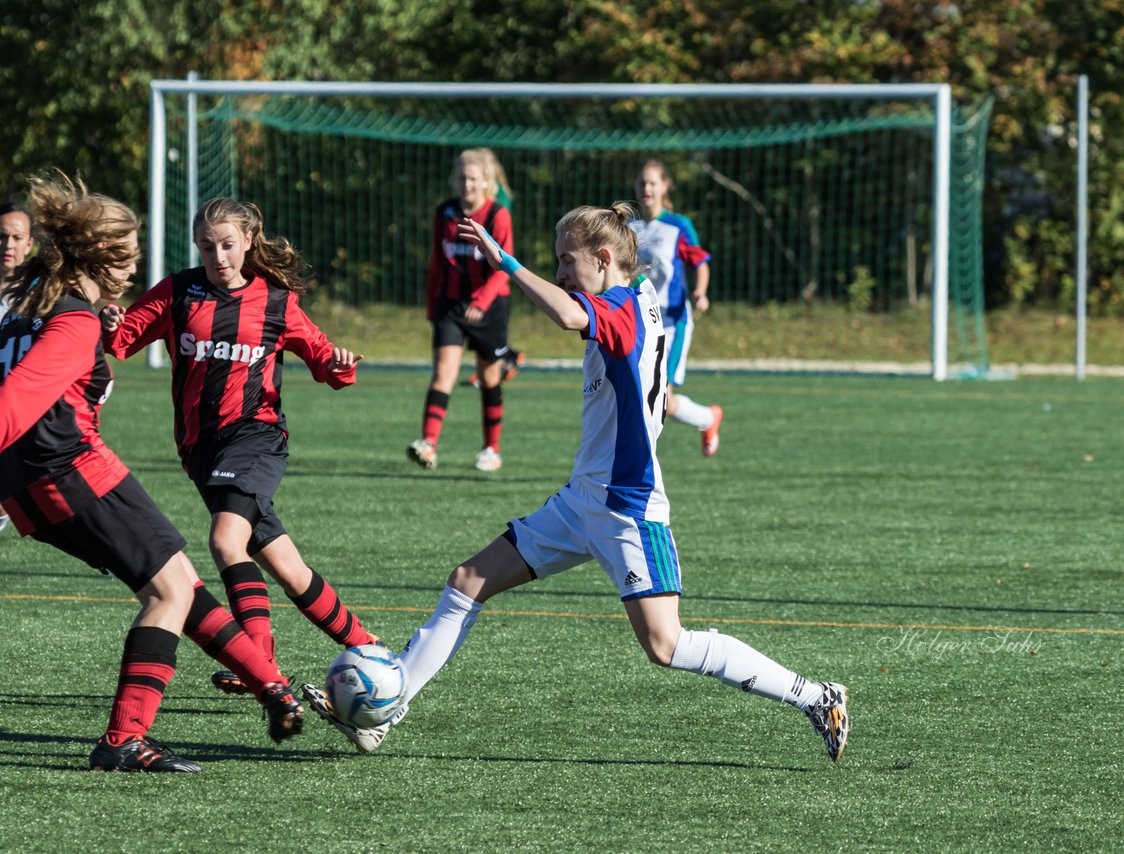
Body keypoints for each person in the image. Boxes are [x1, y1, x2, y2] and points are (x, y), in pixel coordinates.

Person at [303, 203, 849, 763]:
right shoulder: (631, 298)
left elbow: (568, 315)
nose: (561, 272)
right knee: (468, 580)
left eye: (568, 260)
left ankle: (815, 695)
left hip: (627, 510)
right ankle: (386, 714)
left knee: (666, 644)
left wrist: (505, 262)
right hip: (579, 500)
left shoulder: (623, 312)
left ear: (604, 259)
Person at [0, 172, 303, 773]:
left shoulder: (30, 296)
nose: (136, 267)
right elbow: (14, 405)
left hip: (27, 485)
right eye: (131, 253)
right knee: (169, 590)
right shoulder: (74, 320)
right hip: (72, 469)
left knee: (175, 581)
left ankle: (273, 686)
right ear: (106, 255)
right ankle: (124, 738)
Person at [101, 196, 380, 696]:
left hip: (256, 437)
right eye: (207, 247)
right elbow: (122, 340)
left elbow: (322, 359)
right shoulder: (179, 292)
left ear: (248, 241)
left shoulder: (275, 300)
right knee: (287, 568)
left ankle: (258, 660)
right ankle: (372, 647)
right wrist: (109, 320)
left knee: (225, 542)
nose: (219, 257)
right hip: (200, 451)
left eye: (228, 245)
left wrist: (338, 363)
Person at [407, 148, 516, 473]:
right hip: (450, 307)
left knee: (489, 376)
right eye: (462, 178)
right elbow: (437, 262)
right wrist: (432, 305)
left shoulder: (498, 215)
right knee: (443, 372)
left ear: (486, 181)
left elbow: (504, 266)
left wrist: (481, 302)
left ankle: (491, 449)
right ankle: (428, 444)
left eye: (473, 178)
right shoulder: (445, 213)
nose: (467, 184)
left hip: (490, 307)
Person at [630, 158, 723, 456]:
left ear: (665, 187)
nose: (647, 188)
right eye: (642, 182)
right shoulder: (628, 226)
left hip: (672, 322)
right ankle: (707, 418)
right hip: (638, 319)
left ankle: (708, 418)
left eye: (653, 182)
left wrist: (700, 292)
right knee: (638, 391)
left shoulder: (678, 226)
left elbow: (700, 262)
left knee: (662, 397)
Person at [467, 148, 525, 389]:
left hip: (492, 267)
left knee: (491, 327)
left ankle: (503, 360)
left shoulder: (496, 198)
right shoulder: (495, 191)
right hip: (481, 268)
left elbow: (499, 233)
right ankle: (496, 361)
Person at [0, 200, 34, 535]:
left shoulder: (44, 297)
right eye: (1, 236)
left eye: (15, 237)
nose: (7, 245)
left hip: (20, 420)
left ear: (29, 243)